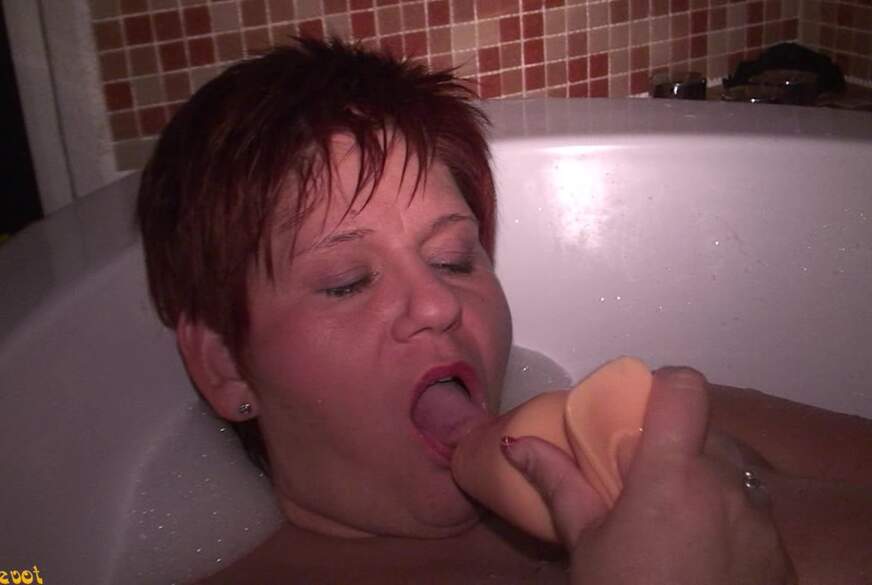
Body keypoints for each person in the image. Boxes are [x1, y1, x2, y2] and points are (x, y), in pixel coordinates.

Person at [136, 37, 871, 584]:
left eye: (455, 258)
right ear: (226, 365)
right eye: (347, 281)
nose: (437, 304)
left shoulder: (673, 428)